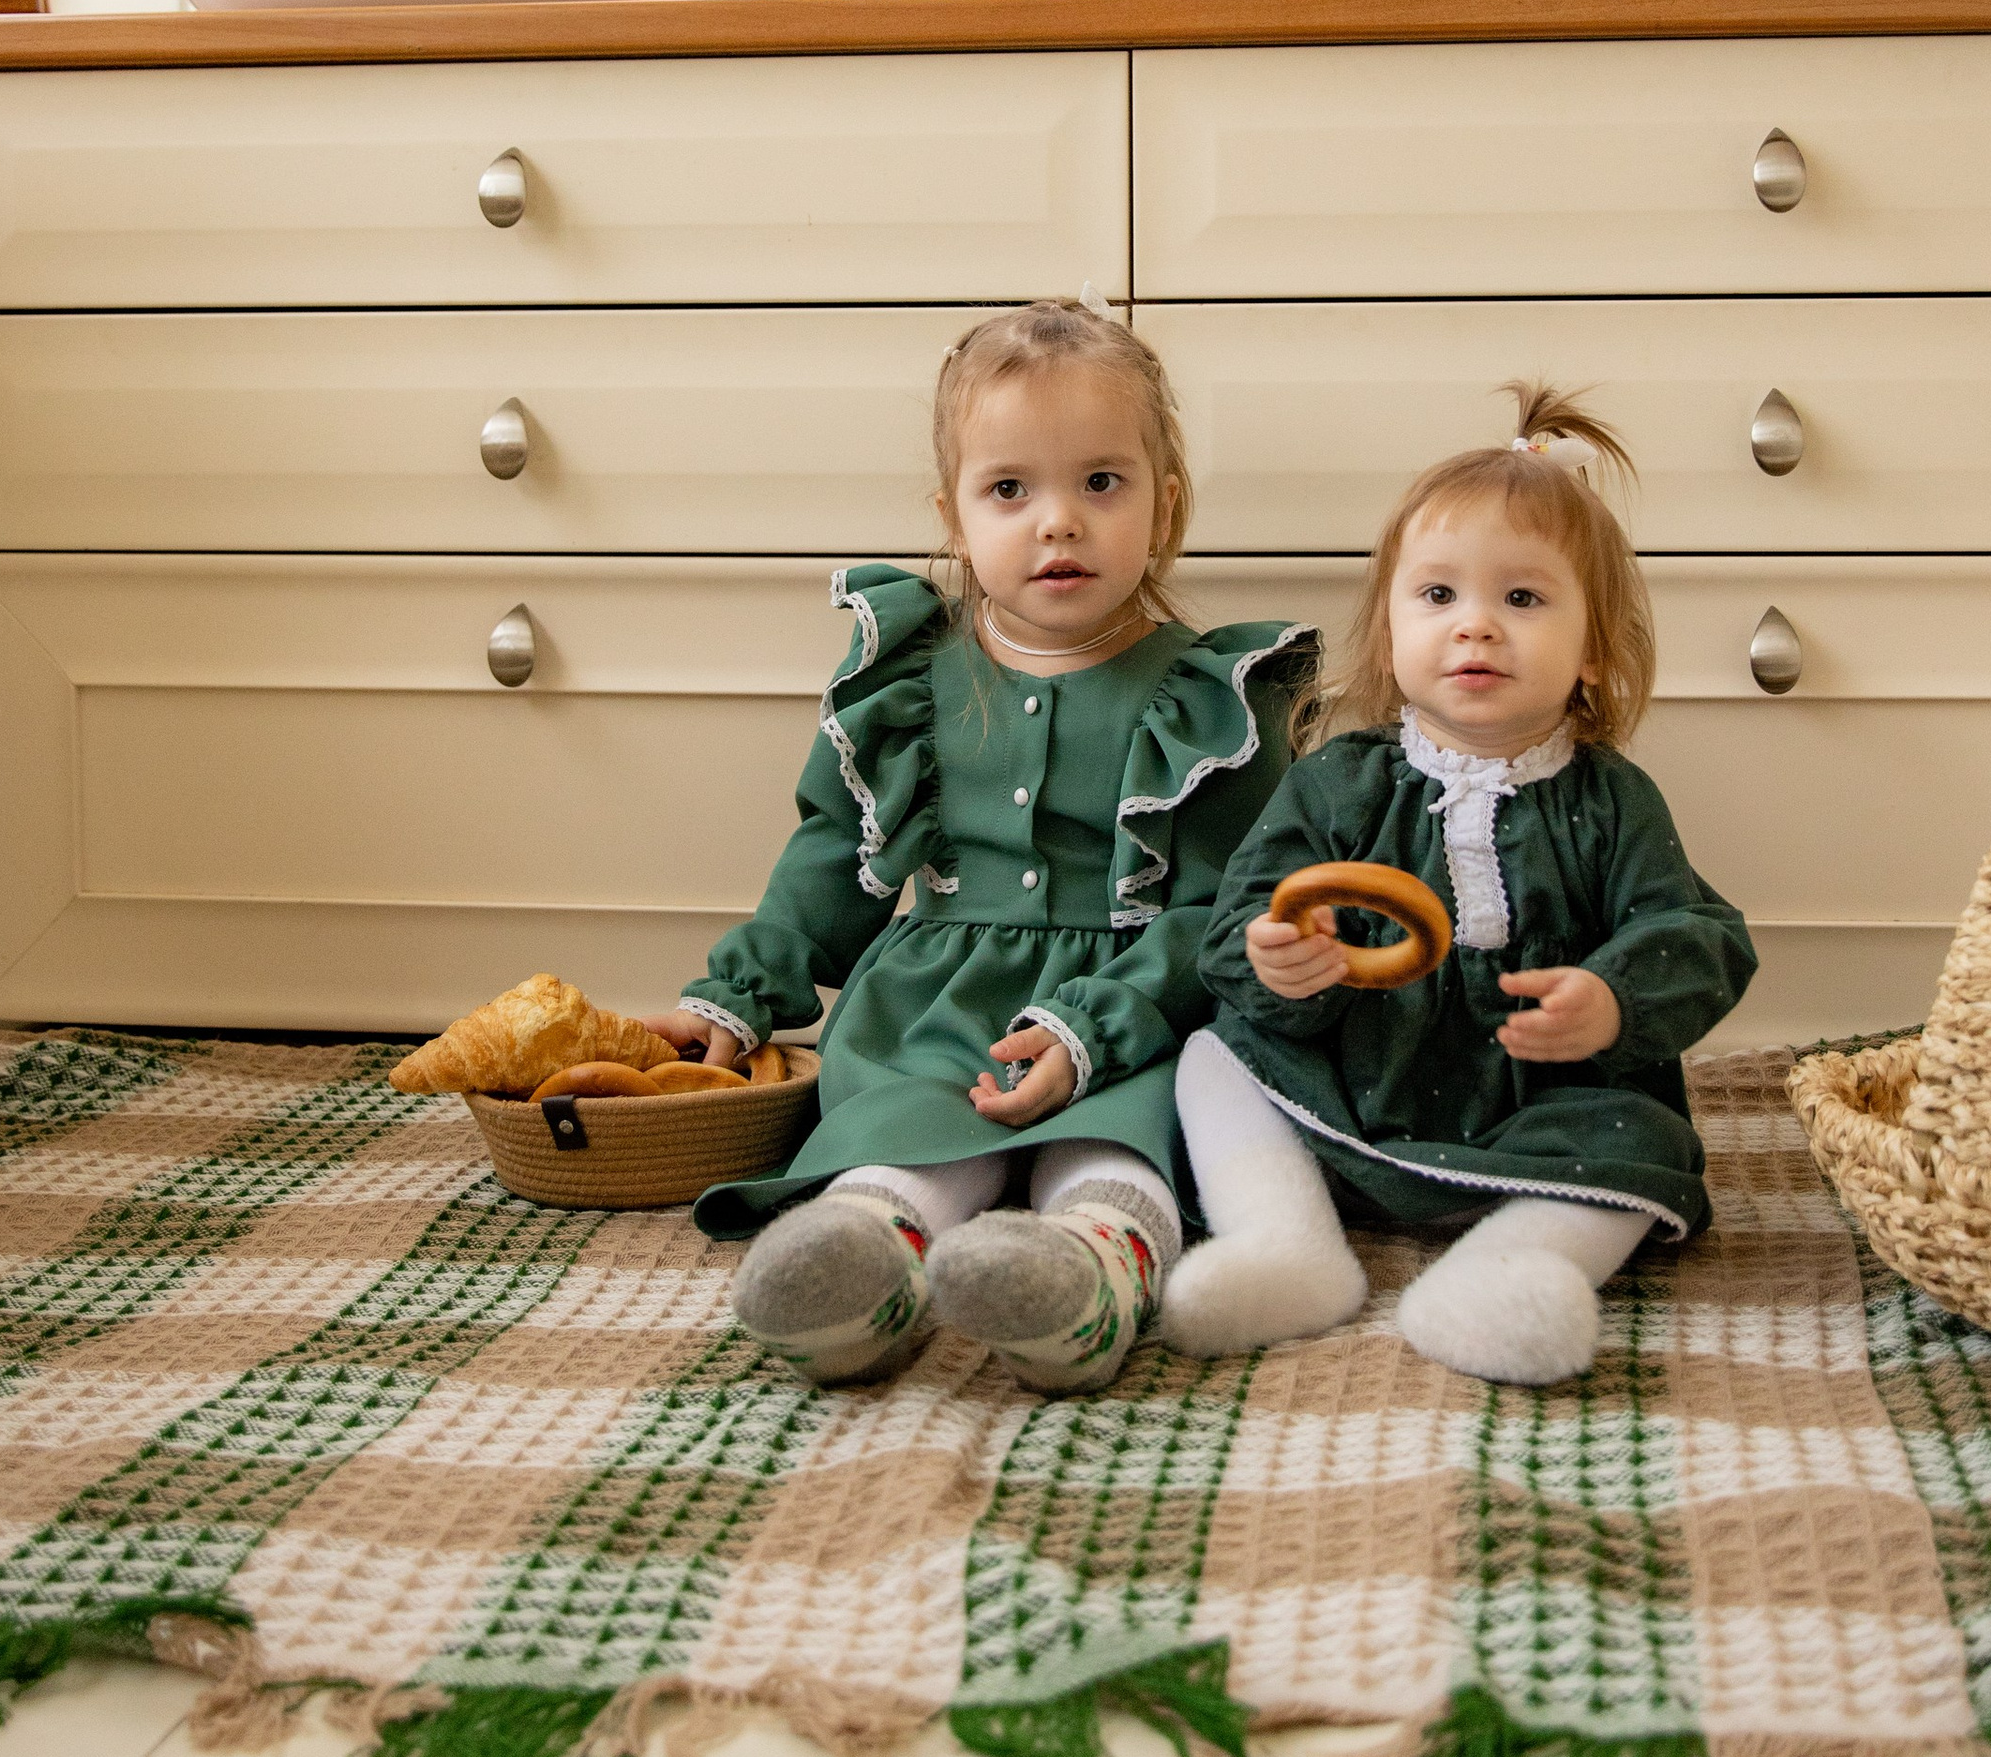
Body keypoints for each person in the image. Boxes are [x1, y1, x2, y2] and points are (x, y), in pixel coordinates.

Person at [642, 304, 1311, 1394]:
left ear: (1166, 505)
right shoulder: (911, 681)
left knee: (1110, 1145)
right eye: (1011, 489)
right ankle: (864, 1263)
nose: (1059, 523)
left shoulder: (1210, 699)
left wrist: (1101, 1022)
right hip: (937, 1004)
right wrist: (736, 993)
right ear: (953, 517)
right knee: (897, 1132)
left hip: (1132, 1001)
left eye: (1102, 483)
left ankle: (1085, 1277)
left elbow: (1233, 910)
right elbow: (833, 862)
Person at [1164, 386, 1754, 1387]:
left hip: (1543, 1115)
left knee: (1648, 1142)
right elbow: (1239, 925)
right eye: (1438, 597)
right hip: (1353, 1089)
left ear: (1594, 651)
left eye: (1520, 600)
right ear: (1390, 629)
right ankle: (1285, 1244)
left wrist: (1612, 999)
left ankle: (1506, 1270)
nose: (1473, 627)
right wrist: (1279, 962)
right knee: (1210, 1060)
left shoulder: (1611, 802)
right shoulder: (1336, 782)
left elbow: (1699, 932)